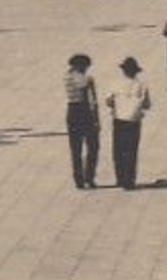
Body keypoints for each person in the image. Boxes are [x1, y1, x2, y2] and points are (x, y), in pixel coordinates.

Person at [105, 57, 152, 190]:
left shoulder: (115, 83)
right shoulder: (142, 85)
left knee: (118, 149)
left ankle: (120, 177)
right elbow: (147, 105)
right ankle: (129, 180)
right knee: (131, 150)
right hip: (134, 120)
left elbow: (108, 101)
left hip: (119, 118)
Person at [63, 54, 100, 190]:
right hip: (85, 112)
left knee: (75, 148)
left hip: (72, 112)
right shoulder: (87, 79)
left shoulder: (67, 77)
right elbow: (93, 101)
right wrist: (96, 119)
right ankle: (89, 177)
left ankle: (78, 179)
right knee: (93, 146)